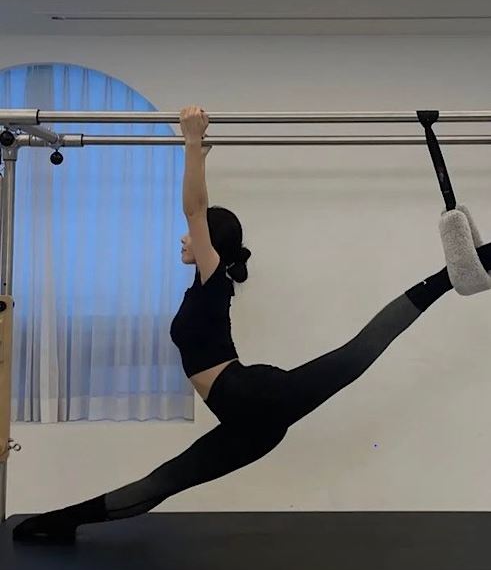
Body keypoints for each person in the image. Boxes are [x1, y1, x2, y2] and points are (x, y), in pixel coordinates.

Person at [13, 106, 491, 541]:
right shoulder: (206, 285)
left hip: (253, 399)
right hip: (248, 423)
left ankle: (450, 276)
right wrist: (198, 153)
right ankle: (54, 525)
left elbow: (194, 209)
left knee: (357, 353)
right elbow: (197, 215)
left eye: (193, 236)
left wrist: (192, 145)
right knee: (162, 483)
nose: (183, 239)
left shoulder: (213, 277)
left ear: (210, 243)